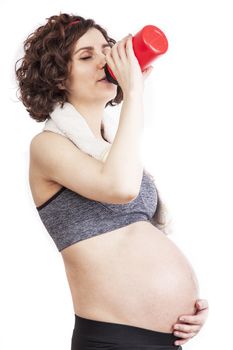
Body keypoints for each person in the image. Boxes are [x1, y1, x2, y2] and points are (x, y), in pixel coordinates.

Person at [15, 12, 209, 350]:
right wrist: (135, 95)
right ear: (59, 77)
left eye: (107, 50)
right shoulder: (47, 147)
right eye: (86, 56)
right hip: (113, 340)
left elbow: (139, 237)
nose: (104, 60)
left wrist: (187, 305)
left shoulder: (111, 147)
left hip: (164, 340)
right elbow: (119, 188)